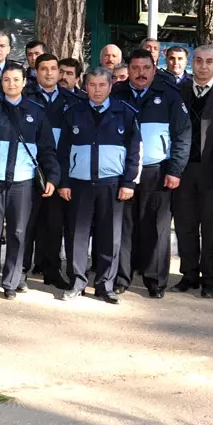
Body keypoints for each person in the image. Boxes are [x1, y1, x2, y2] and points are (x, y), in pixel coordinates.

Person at [0, 63, 59, 299]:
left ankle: (10, 282)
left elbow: (47, 149)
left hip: (23, 183)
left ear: (24, 83)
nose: (11, 84)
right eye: (7, 80)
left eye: (16, 80)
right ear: (1, 83)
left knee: (18, 233)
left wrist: (52, 176)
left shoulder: (36, 111)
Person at [110, 49, 191, 297]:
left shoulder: (169, 96)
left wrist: (175, 169)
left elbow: (183, 135)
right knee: (123, 226)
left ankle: (155, 280)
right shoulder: (116, 94)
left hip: (157, 171)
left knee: (157, 227)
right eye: (135, 68)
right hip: (123, 172)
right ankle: (122, 277)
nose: (140, 73)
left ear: (154, 70)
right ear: (128, 70)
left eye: (146, 68)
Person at [57, 67, 140, 304]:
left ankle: (105, 285)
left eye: (101, 85)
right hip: (79, 183)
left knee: (110, 237)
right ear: (85, 87)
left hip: (112, 185)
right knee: (76, 235)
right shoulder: (73, 112)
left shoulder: (126, 113)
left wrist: (129, 182)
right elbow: (62, 151)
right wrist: (63, 182)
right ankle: (77, 282)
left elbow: (135, 152)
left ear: (110, 86)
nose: (96, 90)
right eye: (92, 85)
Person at [172, 45, 213, 298]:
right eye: (198, 61)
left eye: (208, 61)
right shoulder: (179, 90)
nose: (203, 66)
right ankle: (189, 274)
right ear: (191, 64)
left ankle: (212, 278)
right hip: (184, 170)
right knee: (185, 225)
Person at [24, 54, 85, 289]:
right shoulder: (26, 97)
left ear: (60, 73)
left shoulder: (73, 101)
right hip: (28, 170)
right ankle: (20, 271)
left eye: (53, 69)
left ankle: (51, 270)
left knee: (53, 224)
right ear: (36, 72)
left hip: (58, 171)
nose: (49, 73)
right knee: (26, 224)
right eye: (43, 69)